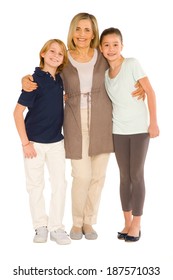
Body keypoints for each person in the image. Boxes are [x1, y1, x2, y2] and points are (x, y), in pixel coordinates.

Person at [21, 13, 145, 241]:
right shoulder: (64, 58)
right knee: (81, 175)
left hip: (103, 119)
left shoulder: (102, 55)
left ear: (94, 33)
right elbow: (45, 71)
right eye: (78, 29)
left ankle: (89, 221)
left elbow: (122, 64)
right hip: (74, 120)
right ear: (72, 31)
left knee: (98, 175)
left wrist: (141, 84)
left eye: (87, 30)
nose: (82, 34)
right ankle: (76, 222)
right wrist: (24, 79)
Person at [100, 27, 159, 242]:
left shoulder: (132, 63)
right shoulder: (106, 75)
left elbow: (150, 91)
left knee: (136, 175)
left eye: (115, 44)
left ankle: (137, 223)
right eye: (106, 45)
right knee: (124, 177)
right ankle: (126, 222)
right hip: (118, 131)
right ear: (101, 48)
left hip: (139, 130)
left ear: (122, 46)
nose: (111, 48)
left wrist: (153, 122)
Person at [13, 39, 71, 245]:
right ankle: (40, 226)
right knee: (35, 185)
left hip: (56, 142)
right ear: (43, 53)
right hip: (34, 144)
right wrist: (25, 143)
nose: (56, 55)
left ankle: (56, 227)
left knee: (60, 185)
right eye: (52, 51)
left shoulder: (60, 79)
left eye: (60, 53)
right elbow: (17, 113)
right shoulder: (34, 80)